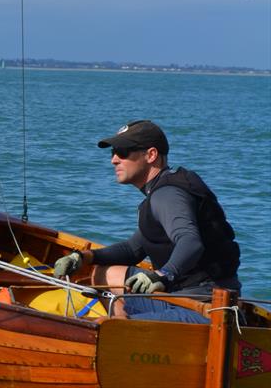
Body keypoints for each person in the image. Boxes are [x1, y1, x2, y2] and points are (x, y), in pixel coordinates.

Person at [53, 119, 241, 321]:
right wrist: (83, 257)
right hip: (189, 294)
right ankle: (129, 322)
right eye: (113, 152)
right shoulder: (162, 191)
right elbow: (133, 249)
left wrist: (162, 275)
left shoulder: (167, 194)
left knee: (105, 327)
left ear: (151, 155)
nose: (114, 160)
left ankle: (123, 328)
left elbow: (190, 241)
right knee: (105, 274)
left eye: (123, 152)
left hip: (205, 308)